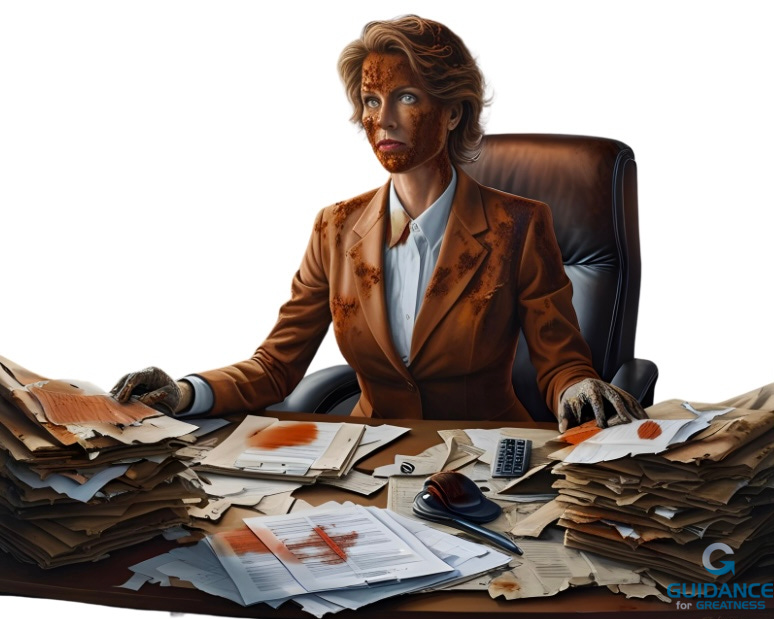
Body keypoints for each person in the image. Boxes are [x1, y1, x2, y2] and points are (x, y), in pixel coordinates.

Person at [112, 15, 645, 432]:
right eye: (371, 100)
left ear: (454, 111)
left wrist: (577, 388)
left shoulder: (519, 225)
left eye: (406, 98)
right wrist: (186, 392)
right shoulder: (336, 228)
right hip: (367, 463)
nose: (382, 119)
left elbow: (560, 364)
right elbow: (276, 366)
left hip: (486, 463)